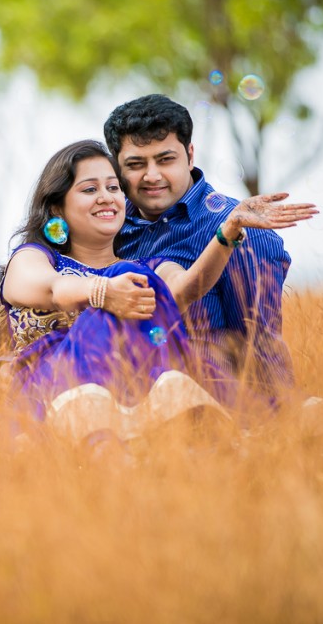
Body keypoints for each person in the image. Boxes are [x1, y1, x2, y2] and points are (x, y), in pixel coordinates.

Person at [0, 140, 315, 446]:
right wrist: (105, 291)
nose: (106, 197)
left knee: (144, 288)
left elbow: (186, 289)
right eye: (90, 189)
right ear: (57, 208)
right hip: (50, 392)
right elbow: (53, 288)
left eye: (113, 188)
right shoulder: (34, 257)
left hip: (130, 392)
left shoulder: (144, 267)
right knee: (127, 277)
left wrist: (227, 231)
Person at [103, 94, 297, 411]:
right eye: (136, 164)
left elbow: (258, 347)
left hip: (211, 418)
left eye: (165, 160)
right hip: (121, 416)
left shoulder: (240, 231)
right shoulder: (108, 223)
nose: (151, 176)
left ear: (190, 156)